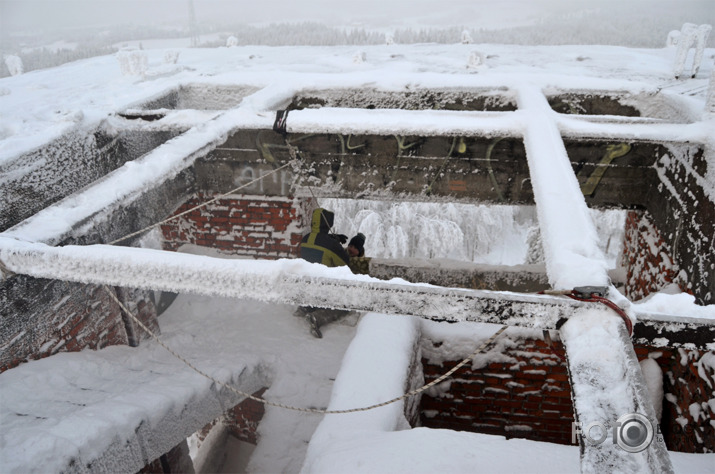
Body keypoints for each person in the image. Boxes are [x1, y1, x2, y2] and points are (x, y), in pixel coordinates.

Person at [296, 208, 351, 338]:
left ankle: (305, 307)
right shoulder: (332, 245)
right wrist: (337, 245)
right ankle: (318, 317)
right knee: (345, 305)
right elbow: (345, 265)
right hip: (322, 291)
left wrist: (332, 238)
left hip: (304, 290)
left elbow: (317, 242)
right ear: (328, 224)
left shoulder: (305, 239)